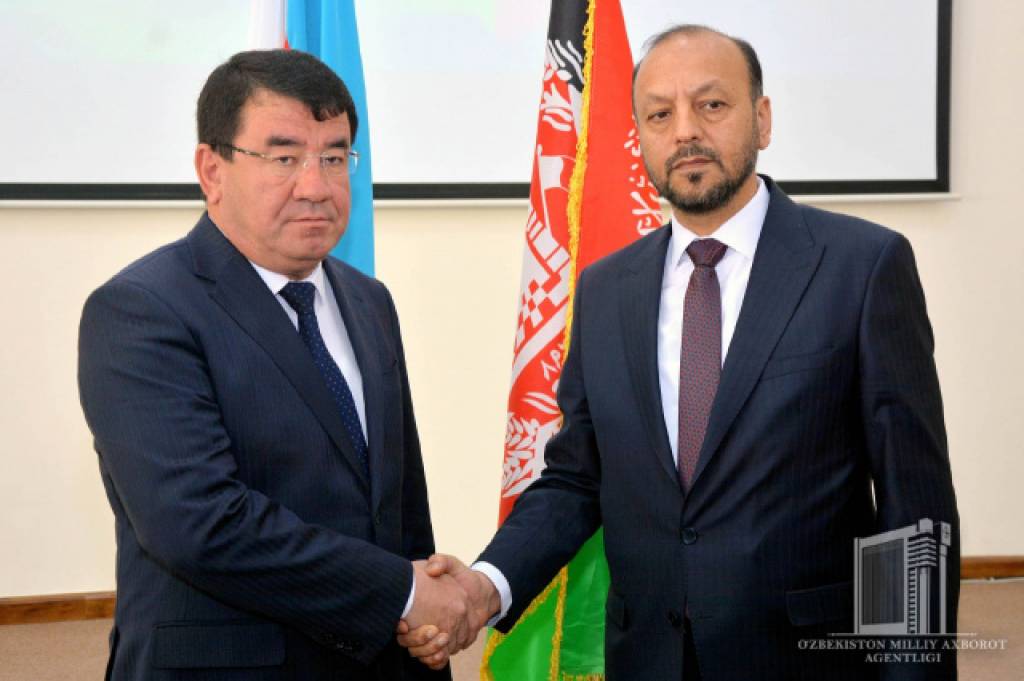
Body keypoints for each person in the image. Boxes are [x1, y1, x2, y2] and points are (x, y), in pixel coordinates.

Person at [400, 25, 960, 680]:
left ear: (763, 118)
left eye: (711, 104)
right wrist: (483, 586)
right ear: (639, 136)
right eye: (660, 115)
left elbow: (912, 506)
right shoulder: (605, 290)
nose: (686, 131)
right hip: (649, 659)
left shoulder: (861, 267)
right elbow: (577, 477)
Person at [78, 49, 469, 680]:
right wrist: (401, 592)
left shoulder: (368, 300)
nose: (315, 186)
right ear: (213, 170)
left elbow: (398, 506)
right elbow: (200, 525)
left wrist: (425, 621)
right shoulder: (141, 310)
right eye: (284, 158)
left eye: (334, 157)